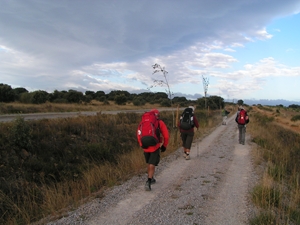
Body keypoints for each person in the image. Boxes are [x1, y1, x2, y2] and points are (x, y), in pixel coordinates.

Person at [137, 109, 169, 191]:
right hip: (155, 146)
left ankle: (151, 177)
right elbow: (166, 135)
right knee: (152, 163)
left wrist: (141, 144)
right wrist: (164, 145)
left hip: (145, 146)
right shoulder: (159, 122)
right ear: (157, 115)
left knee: (149, 163)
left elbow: (138, 133)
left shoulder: (143, 122)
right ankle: (149, 181)